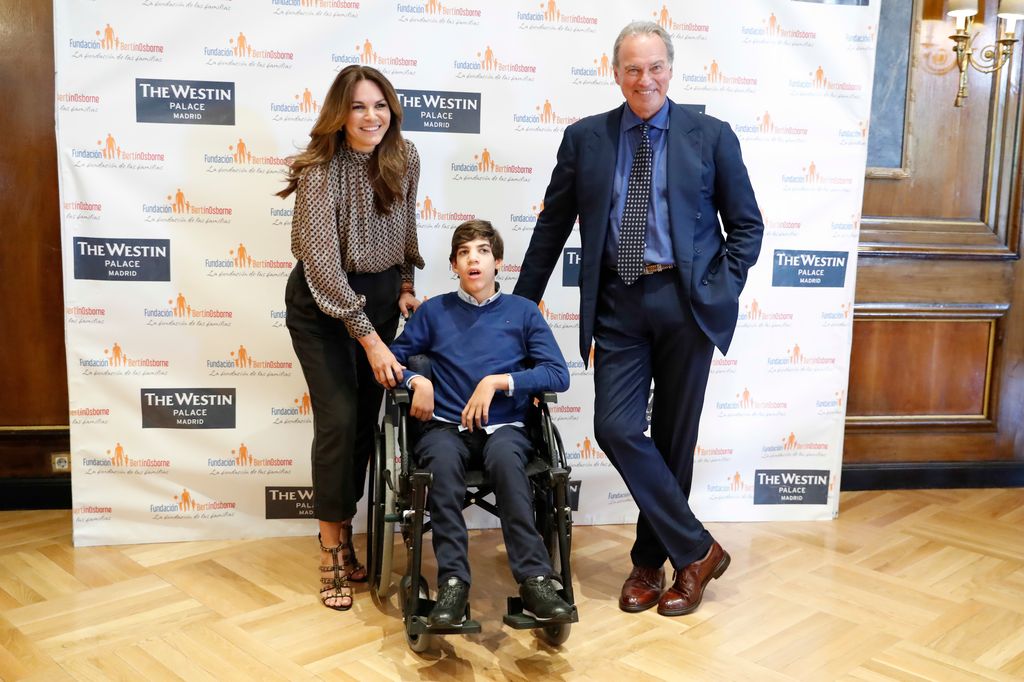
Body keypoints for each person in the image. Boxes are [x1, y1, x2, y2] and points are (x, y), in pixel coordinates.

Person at [514, 21, 764, 617]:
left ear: (670, 70)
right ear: (616, 72)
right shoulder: (586, 139)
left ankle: (651, 564)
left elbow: (747, 227)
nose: (643, 78)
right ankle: (698, 550)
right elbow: (552, 228)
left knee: (675, 440)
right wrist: (518, 311)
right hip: (619, 306)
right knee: (618, 428)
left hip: (685, 303)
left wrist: (716, 288)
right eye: (632, 68)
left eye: (654, 67)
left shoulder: (712, 136)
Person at [278, 65, 424, 611]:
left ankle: (352, 537)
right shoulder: (320, 169)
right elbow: (322, 265)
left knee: (366, 423)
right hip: (323, 306)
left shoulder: (404, 157)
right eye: (359, 107)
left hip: (381, 299)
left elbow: (406, 225)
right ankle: (331, 548)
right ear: (341, 114)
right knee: (338, 419)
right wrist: (369, 339)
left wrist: (406, 283)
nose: (371, 117)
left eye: (380, 105)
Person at [390, 220, 573, 626]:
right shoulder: (434, 312)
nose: (473, 258)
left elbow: (558, 374)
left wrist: (498, 382)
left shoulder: (522, 312)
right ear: (455, 265)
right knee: (438, 464)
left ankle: (536, 580)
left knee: (509, 463)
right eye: (464, 252)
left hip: (505, 429)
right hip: (445, 429)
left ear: (498, 263)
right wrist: (417, 380)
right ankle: (454, 583)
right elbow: (391, 359)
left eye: (483, 251)